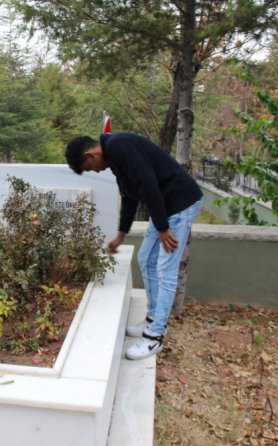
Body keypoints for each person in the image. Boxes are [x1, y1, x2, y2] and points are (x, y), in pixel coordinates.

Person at [65, 132, 203, 360]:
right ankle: (152, 318)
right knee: (146, 260)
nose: (95, 171)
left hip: (180, 203)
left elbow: (149, 185)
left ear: (90, 154)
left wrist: (162, 228)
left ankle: (155, 336)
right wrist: (121, 234)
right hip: (167, 208)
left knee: (165, 271)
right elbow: (130, 197)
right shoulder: (115, 158)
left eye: (90, 167)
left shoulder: (122, 146)